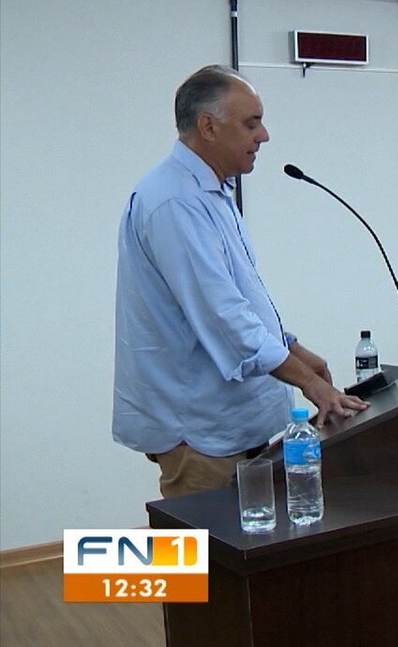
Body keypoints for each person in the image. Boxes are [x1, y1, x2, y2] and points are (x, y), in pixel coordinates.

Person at [113, 65, 369, 498]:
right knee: (209, 544)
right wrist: (309, 383)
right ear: (208, 126)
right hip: (201, 434)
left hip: (232, 426)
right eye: (252, 123)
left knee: (252, 538)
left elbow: (241, 297)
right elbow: (223, 316)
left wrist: (294, 350)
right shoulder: (175, 202)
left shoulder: (210, 191)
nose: (263, 136)